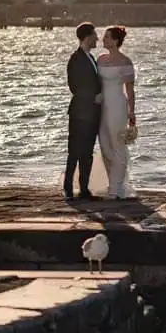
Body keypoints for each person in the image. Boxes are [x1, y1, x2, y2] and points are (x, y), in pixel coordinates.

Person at [94, 25, 138, 200]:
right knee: (104, 145)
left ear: (116, 41)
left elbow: (130, 89)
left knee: (118, 144)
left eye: (107, 37)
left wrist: (132, 112)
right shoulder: (100, 59)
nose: (103, 40)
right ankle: (116, 183)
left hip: (118, 106)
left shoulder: (126, 62)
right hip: (101, 107)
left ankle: (114, 189)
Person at [63, 22, 101, 200]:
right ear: (87, 37)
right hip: (80, 112)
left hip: (92, 113)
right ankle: (68, 188)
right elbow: (74, 86)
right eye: (95, 36)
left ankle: (84, 188)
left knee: (88, 151)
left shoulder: (91, 58)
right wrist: (93, 97)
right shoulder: (76, 59)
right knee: (75, 151)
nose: (97, 39)